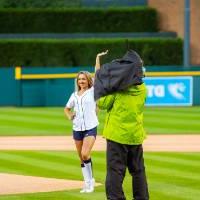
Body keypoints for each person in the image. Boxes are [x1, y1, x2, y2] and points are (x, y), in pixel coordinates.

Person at [95, 50, 149, 200]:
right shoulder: (143, 89)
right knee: (138, 171)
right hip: (136, 135)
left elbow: (102, 103)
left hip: (117, 136)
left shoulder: (117, 89)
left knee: (115, 171)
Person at [64, 71, 98, 193]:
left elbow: (98, 74)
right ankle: (87, 182)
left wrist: (97, 60)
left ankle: (91, 182)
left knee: (85, 154)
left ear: (88, 80)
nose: (81, 81)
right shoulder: (74, 95)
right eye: (79, 79)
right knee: (81, 158)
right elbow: (67, 108)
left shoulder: (93, 91)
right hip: (77, 128)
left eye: (83, 79)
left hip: (90, 127)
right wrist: (69, 116)